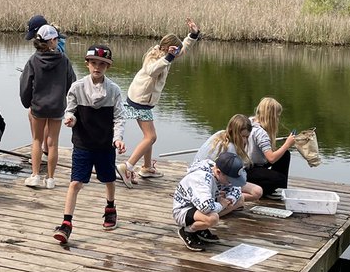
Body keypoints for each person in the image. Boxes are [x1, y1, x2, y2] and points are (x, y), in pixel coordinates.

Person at [53, 45, 126, 245]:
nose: (97, 67)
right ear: (87, 64)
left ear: (107, 67)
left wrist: (117, 138)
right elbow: (70, 111)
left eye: (102, 64)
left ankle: (110, 208)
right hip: (83, 143)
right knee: (76, 183)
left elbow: (119, 118)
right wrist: (70, 120)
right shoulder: (77, 87)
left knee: (108, 178)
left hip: (105, 144)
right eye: (94, 63)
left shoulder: (114, 90)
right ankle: (66, 224)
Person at [120, 17, 201, 185]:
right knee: (151, 137)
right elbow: (151, 71)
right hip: (139, 101)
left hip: (143, 101)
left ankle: (147, 168)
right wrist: (169, 57)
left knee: (148, 135)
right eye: (174, 51)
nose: (178, 54)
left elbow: (183, 49)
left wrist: (193, 35)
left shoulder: (167, 55)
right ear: (166, 48)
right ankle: (127, 167)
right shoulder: (154, 56)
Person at [19, 23, 75, 189]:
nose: (58, 41)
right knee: (53, 143)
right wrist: (64, 99)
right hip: (57, 106)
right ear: (51, 41)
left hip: (39, 106)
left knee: (37, 140)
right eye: (56, 38)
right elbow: (72, 82)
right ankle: (50, 179)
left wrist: (27, 102)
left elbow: (25, 84)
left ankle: (35, 175)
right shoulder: (64, 60)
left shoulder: (34, 60)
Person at [172, 151, 249, 251]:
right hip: (184, 210)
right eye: (229, 180)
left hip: (202, 204)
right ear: (218, 172)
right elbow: (205, 207)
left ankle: (200, 229)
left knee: (239, 199)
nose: (230, 183)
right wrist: (221, 205)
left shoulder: (219, 172)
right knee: (213, 218)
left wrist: (230, 199)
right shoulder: (201, 179)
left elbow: (237, 187)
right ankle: (188, 231)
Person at [192, 114, 264, 202]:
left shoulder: (220, 133)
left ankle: (227, 201)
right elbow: (233, 177)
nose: (245, 140)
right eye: (242, 136)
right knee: (257, 192)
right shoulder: (231, 148)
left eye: (247, 137)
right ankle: (227, 202)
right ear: (234, 132)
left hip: (196, 175)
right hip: (208, 181)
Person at [246, 97, 297, 199]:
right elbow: (271, 159)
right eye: (277, 116)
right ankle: (266, 190)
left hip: (249, 163)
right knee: (280, 179)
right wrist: (287, 144)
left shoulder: (249, 122)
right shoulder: (260, 133)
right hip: (247, 169)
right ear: (271, 116)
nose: (278, 119)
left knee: (284, 155)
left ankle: (273, 188)